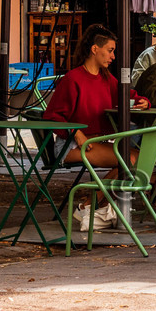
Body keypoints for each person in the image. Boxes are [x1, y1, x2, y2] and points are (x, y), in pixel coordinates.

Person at [41, 25, 125, 230]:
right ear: (95, 49)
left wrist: (143, 102)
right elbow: (51, 116)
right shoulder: (73, 79)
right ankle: (89, 206)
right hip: (70, 145)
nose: (113, 56)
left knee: (136, 160)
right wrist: (75, 132)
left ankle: (89, 205)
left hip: (95, 142)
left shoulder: (106, 78)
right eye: (110, 50)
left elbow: (126, 95)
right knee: (131, 159)